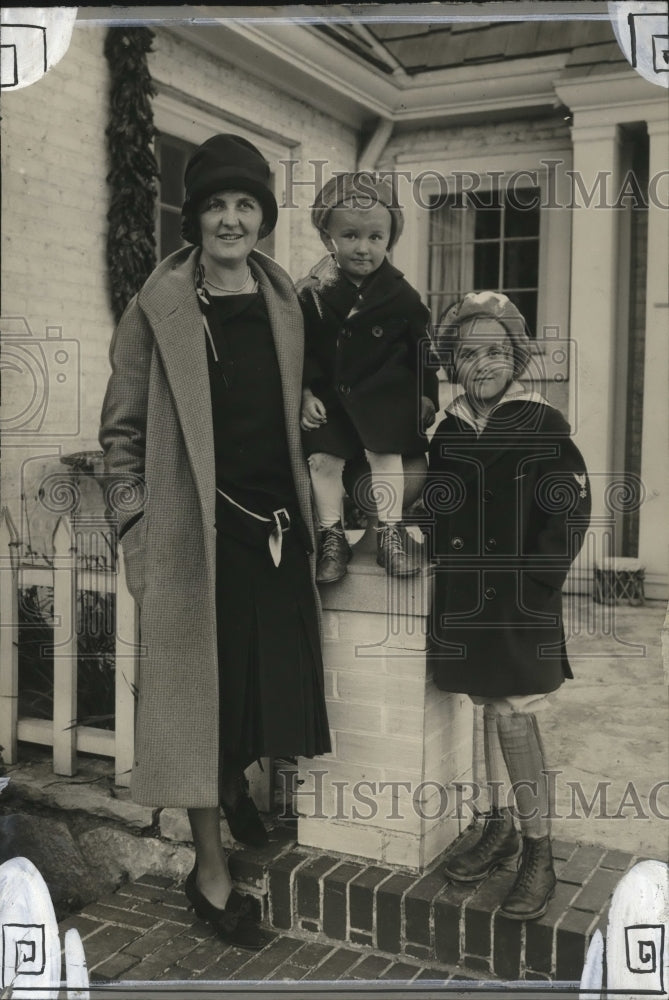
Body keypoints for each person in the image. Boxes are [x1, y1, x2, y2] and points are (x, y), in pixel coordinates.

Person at [99, 134, 331, 949]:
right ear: (193, 217)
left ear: (262, 217)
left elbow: (320, 399)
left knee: (262, 693)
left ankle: (236, 780)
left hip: (273, 533)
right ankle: (208, 870)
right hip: (193, 541)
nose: (230, 218)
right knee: (198, 709)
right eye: (214, 205)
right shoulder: (154, 308)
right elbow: (120, 434)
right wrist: (134, 529)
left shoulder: (284, 302)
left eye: (245, 205)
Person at [426, 291, 591, 921]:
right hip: (467, 602)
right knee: (484, 706)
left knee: (516, 714)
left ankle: (537, 851)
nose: (484, 362)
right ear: (453, 364)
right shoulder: (447, 431)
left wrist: (540, 583)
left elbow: (570, 508)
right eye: (468, 353)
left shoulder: (542, 423)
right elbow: (440, 504)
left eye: (496, 350)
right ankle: (494, 828)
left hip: (521, 600)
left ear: (517, 355)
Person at [297, 172, 440, 582]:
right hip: (333, 400)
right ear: (329, 238)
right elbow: (299, 348)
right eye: (351, 236)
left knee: (387, 454)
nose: (364, 248)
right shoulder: (310, 293)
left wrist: (427, 396)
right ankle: (332, 535)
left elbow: (421, 348)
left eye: (376, 237)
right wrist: (305, 392)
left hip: (384, 396)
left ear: (389, 239)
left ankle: (391, 532)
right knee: (322, 458)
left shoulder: (402, 295)